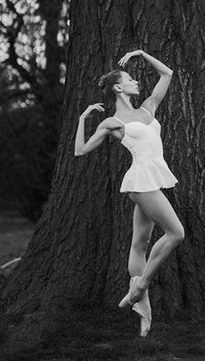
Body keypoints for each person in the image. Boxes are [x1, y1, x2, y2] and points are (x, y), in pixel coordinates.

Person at [74, 49, 185, 337]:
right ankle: (140, 287)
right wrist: (83, 118)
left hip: (151, 180)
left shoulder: (148, 108)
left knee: (140, 244)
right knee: (176, 233)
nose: (137, 82)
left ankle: (142, 310)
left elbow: (168, 74)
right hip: (141, 181)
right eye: (131, 79)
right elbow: (81, 150)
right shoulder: (113, 123)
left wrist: (140, 53)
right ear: (118, 88)